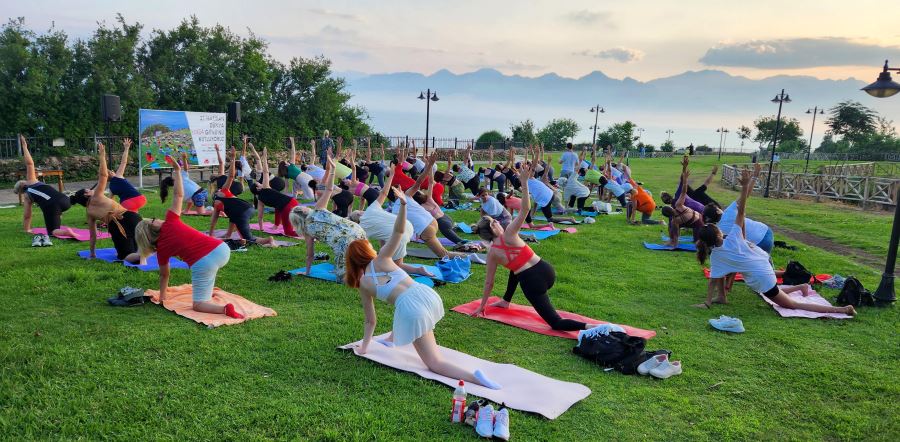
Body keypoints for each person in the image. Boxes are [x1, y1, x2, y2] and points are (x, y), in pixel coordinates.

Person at [344, 194, 502, 389]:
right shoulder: (383, 259)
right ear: (368, 252)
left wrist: (364, 347)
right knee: (406, 315)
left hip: (412, 307)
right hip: (426, 294)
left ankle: (475, 377)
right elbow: (399, 230)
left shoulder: (364, 284)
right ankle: (391, 339)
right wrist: (402, 205)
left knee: (434, 363)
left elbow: (371, 321)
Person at [694, 164, 856, 316]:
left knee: (792, 305)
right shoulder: (733, 238)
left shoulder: (716, 256)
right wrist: (744, 186)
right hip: (764, 266)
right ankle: (802, 287)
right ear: (718, 234)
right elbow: (741, 212)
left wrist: (707, 302)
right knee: (773, 292)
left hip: (762, 276)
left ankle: (842, 309)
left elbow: (713, 281)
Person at [471, 152, 597, 331]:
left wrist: (482, 306)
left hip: (533, 283)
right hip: (546, 270)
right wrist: (523, 183)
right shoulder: (510, 233)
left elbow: (489, 283)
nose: (498, 221)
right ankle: (506, 301)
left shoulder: (492, 253)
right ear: (493, 228)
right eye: (495, 221)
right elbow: (525, 209)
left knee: (556, 323)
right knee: (515, 269)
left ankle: (593, 327)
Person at [134, 155, 244, 319]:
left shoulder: (162, 249)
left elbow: (165, 275)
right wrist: (177, 172)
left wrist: (163, 296)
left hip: (206, 261)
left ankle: (224, 309)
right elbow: (178, 195)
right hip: (222, 249)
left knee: (198, 305)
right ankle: (207, 290)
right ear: (153, 228)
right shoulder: (171, 221)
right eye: (154, 220)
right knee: (206, 272)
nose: (157, 219)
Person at [290, 151, 368, 282]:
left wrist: (307, 272)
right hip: (357, 230)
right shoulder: (318, 208)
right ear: (303, 212)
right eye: (301, 208)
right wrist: (332, 169)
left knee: (342, 277)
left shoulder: (307, 231)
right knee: (362, 260)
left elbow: (310, 255)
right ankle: (365, 268)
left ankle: (359, 273)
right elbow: (330, 189)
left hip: (345, 242)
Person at [348, 167, 434, 277]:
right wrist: (391, 176)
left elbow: (361, 249)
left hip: (400, 235)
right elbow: (384, 193)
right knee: (384, 242)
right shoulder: (373, 208)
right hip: (407, 225)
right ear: (360, 213)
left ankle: (419, 270)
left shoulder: (362, 228)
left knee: (396, 265)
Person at [69, 142, 144, 263]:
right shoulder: (97, 195)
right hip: (133, 217)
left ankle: (144, 253)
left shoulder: (89, 213)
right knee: (135, 251)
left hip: (119, 224)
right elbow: (103, 175)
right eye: (89, 190)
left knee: (126, 256)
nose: (91, 189)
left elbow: (93, 236)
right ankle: (148, 250)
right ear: (87, 194)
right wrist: (102, 156)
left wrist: (92, 254)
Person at [388, 153, 466, 260]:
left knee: (444, 254)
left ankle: (468, 256)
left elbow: (399, 230)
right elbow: (420, 181)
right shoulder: (408, 196)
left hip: (427, 229)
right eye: (400, 189)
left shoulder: (396, 209)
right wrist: (429, 165)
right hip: (434, 222)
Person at [13, 135, 78, 244]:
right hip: (66, 200)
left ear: (21, 190)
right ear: (23, 182)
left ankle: (67, 232)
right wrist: (24, 146)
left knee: (52, 232)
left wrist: (27, 229)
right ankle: (58, 216)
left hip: (54, 206)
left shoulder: (27, 196)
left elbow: (27, 215)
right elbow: (30, 163)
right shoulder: (32, 181)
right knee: (54, 210)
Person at [209, 147, 279, 247]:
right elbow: (231, 175)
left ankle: (269, 240)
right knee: (233, 215)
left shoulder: (218, 201)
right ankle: (229, 234)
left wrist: (211, 235)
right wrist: (232, 158)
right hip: (248, 207)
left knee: (247, 239)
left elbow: (213, 221)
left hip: (242, 212)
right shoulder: (224, 191)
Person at [251, 146, 301, 237]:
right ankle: (307, 233)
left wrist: (261, 227)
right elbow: (265, 172)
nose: (259, 183)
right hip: (292, 203)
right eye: (258, 184)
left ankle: (307, 233)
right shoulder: (265, 188)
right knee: (289, 229)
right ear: (258, 189)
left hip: (288, 205)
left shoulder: (260, 200)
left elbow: (260, 217)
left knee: (288, 230)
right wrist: (265, 157)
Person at [413, 172, 466, 245]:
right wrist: (430, 168)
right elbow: (431, 183)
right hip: (447, 218)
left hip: (442, 223)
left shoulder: (420, 207)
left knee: (460, 242)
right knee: (458, 239)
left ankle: (468, 245)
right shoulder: (429, 198)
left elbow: (419, 222)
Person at [661, 158, 705, 246]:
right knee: (697, 241)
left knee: (698, 241)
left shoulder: (677, 204)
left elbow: (683, 186)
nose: (666, 200)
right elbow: (683, 186)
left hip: (700, 212)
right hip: (697, 217)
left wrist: (684, 169)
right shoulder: (677, 208)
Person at [106, 138, 147, 212]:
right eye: (111, 171)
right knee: (135, 218)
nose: (112, 170)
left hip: (127, 203)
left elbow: (110, 201)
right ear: (111, 174)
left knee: (126, 218)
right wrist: (126, 148)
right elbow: (123, 162)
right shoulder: (118, 176)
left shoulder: (111, 188)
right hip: (140, 198)